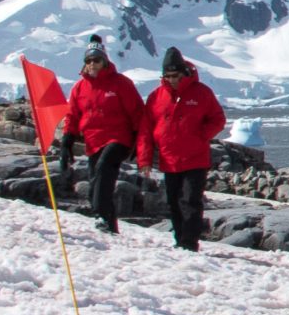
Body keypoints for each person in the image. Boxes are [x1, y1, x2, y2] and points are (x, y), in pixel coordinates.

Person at [141, 47, 227, 251]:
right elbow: (145, 129)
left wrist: (200, 136)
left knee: (190, 200)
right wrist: (144, 159)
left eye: (175, 75)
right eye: (167, 76)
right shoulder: (156, 97)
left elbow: (218, 119)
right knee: (174, 202)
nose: (172, 80)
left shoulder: (201, 92)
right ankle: (180, 239)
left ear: (184, 72)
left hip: (195, 158)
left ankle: (189, 243)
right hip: (169, 160)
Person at [62, 40, 148, 234]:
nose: (93, 64)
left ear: (105, 61)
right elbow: (73, 115)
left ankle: (99, 214)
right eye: (89, 60)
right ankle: (109, 226)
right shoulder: (79, 88)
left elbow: (137, 113)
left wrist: (138, 143)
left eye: (97, 60)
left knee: (103, 167)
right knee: (98, 182)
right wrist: (67, 140)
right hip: (93, 141)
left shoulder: (121, 83)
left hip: (119, 139)